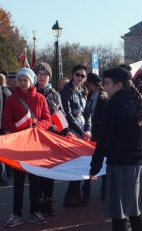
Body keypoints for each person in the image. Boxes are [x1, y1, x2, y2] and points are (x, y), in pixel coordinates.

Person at [89, 66, 142, 231]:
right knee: (136, 211)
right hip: (139, 164)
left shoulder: (113, 105)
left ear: (118, 84)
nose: (105, 87)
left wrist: (95, 165)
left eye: (107, 83)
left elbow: (104, 139)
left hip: (120, 164)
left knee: (119, 213)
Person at [2, 68, 52, 227]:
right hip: (19, 145)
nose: (22, 83)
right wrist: (20, 126)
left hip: (35, 145)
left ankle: (35, 211)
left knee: (35, 180)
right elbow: (6, 122)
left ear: (32, 81)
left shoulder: (41, 98)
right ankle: (16, 212)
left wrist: (39, 125)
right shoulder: (11, 99)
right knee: (18, 181)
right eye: (20, 80)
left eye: (25, 80)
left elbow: (48, 119)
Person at [34, 62, 65, 216]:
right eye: (39, 74)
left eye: (44, 74)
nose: (41, 77)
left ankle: (48, 201)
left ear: (49, 77)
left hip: (51, 137)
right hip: (36, 138)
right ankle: (38, 203)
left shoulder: (55, 94)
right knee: (38, 172)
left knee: (50, 172)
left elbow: (61, 116)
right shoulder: (31, 93)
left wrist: (65, 133)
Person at [60, 64, 91, 207]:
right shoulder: (67, 91)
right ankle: (71, 194)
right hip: (74, 131)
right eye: (77, 74)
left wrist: (88, 129)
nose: (80, 78)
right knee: (76, 163)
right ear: (72, 75)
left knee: (81, 162)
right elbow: (68, 114)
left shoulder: (82, 91)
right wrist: (81, 132)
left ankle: (75, 192)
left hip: (83, 129)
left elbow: (88, 112)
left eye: (83, 76)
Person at [84, 72, 108, 200]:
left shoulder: (103, 97)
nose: (87, 87)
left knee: (102, 157)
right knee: (89, 158)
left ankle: (105, 189)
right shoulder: (90, 96)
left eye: (88, 84)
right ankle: (86, 189)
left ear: (93, 84)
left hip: (98, 130)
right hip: (90, 128)